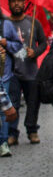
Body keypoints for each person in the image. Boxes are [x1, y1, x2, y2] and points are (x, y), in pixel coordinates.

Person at [7, 0, 47, 145]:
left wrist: (35, 52)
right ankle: (12, 133)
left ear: (25, 4)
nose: (16, 4)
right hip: (11, 73)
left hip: (30, 71)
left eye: (19, 1)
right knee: (13, 103)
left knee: (33, 103)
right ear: (9, 4)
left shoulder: (33, 22)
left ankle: (32, 130)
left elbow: (44, 43)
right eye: (13, 1)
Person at [0, 10, 22, 157]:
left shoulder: (5, 24)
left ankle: (3, 142)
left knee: (4, 111)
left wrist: (7, 44)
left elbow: (18, 45)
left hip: (4, 75)